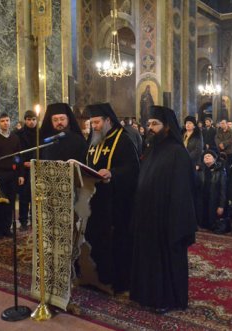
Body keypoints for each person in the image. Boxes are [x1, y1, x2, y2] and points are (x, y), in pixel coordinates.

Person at [130, 105, 197, 313]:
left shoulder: (178, 153)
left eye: (155, 124)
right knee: (149, 258)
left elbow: (182, 192)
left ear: (167, 127)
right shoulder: (151, 150)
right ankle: (147, 295)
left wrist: (174, 221)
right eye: (148, 123)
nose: (150, 128)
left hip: (167, 219)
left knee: (166, 260)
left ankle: (167, 299)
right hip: (148, 216)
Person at [85, 103, 140, 294]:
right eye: (92, 123)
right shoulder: (93, 139)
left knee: (116, 241)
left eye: (97, 122)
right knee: (96, 237)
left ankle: (119, 280)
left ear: (108, 120)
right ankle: (99, 276)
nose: (95, 127)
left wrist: (112, 173)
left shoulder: (124, 139)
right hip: (94, 201)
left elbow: (133, 169)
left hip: (117, 202)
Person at [15, 110, 37, 230]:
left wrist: (34, 162)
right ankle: (23, 221)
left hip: (37, 168)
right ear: (25, 120)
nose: (31, 122)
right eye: (29, 119)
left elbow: (43, 151)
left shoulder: (40, 133)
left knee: (35, 196)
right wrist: (22, 163)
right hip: (23, 170)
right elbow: (16, 154)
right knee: (24, 197)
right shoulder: (18, 134)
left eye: (34, 119)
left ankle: (34, 220)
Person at [196, 150, 227, 231]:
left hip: (213, 201)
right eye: (205, 156)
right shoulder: (200, 171)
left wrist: (221, 206)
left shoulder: (220, 171)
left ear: (214, 159)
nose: (206, 157)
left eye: (209, 156)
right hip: (201, 202)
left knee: (212, 225)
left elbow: (223, 189)